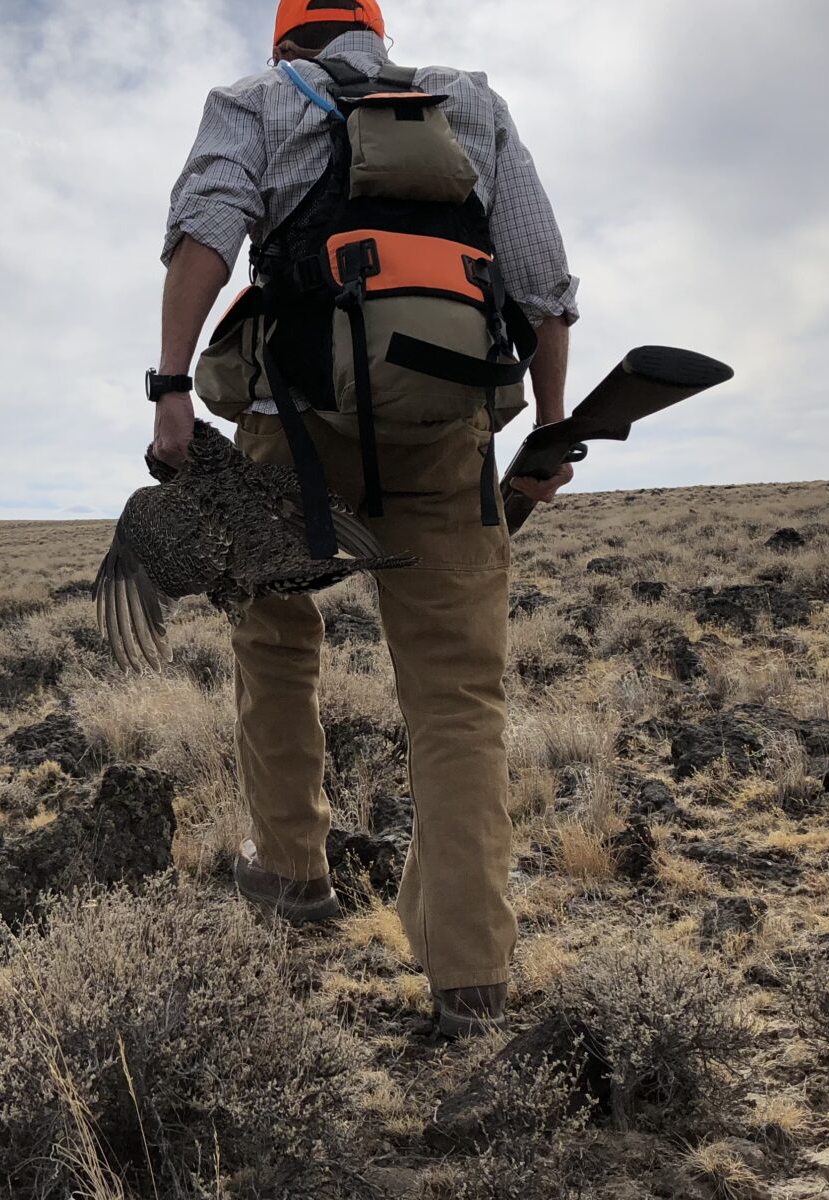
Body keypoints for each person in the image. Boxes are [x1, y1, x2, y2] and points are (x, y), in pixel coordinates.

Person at [147, 0, 579, 1036]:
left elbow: (204, 236)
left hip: (289, 432)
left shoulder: (251, 101)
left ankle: (293, 872)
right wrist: (551, 430)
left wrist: (168, 387)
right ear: (376, 32)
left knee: (277, 644)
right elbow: (540, 283)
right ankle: (468, 970)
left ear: (285, 38)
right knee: (455, 697)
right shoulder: (467, 104)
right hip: (445, 438)